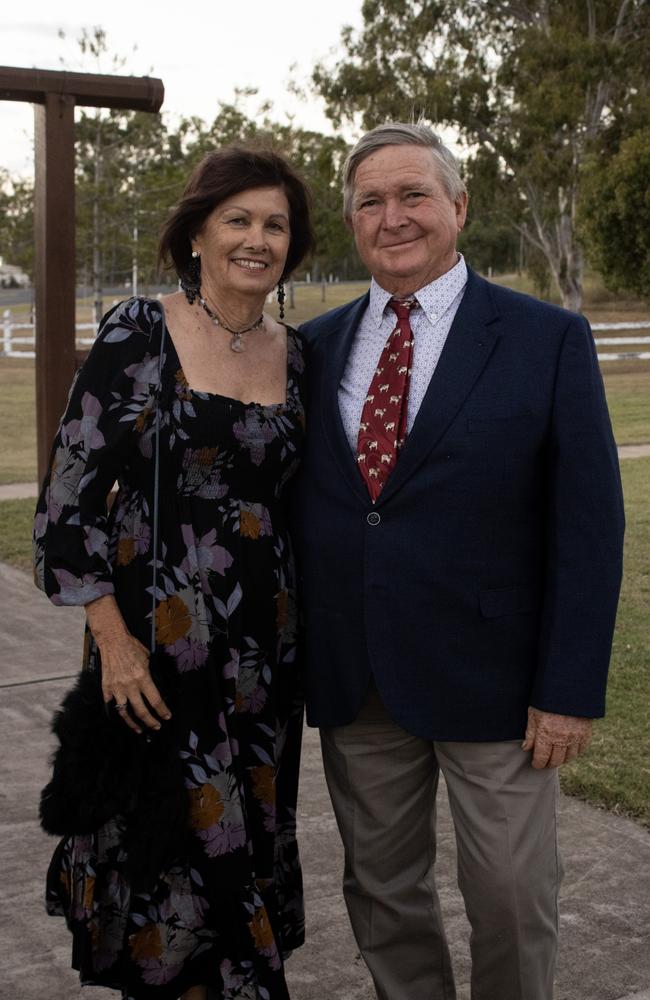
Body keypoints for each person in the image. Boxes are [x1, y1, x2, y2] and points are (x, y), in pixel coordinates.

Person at [292, 122, 625, 1000]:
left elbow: (589, 528)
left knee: (514, 899)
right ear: (352, 220)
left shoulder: (546, 338)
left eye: (413, 195)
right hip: (358, 677)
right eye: (372, 201)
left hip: (498, 684)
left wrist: (568, 687)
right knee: (381, 894)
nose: (393, 216)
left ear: (459, 208)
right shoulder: (313, 348)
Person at [34, 144, 314, 1000]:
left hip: (265, 665)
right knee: (172, 857)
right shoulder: (140, 332)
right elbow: (66, 507)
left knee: (245, 845)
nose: (257, 239)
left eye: (275, 224)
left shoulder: (296, 354)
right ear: (197, 232)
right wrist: (113, 646)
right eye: (238, 219)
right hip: (158, 656)